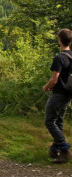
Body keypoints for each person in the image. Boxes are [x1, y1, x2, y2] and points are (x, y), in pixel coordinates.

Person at [43, 28, 72, 163]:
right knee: (58, 121)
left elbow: (54, 79)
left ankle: (65, 150)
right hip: (68, 94)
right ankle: (55, 149)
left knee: (49, 121)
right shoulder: (71, 56)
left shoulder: (59, 58)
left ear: (59, 40)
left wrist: (46, 87)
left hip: (58, 94)